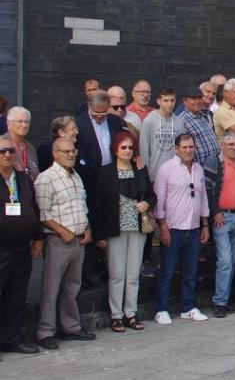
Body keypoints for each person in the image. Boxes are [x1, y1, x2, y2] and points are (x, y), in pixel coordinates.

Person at [35, 137, 95, 348]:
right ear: (55, 154)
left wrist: (86, 228)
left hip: (79, 240)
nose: (71, 154)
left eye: (73, 151)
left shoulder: (76, 176)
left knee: (72, 287)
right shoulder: (46, 178)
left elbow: (82, 206)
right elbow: (42, 214)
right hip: (58, 241)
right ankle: (45, 331)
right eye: (66, 151)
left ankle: (70, 327)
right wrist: (62, 231)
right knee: (51, 288)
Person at [92, 131, 155, 332]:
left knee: (133, 273)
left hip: (137, 228)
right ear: (116, 150)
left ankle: (131, 312)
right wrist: (100, 235)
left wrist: (146, 203)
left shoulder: (140, 170)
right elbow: (98, 205)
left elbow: (152, 195)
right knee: (117, 273)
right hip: (115, 229)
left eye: (130, 147)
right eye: (123, 147)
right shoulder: (105, 172)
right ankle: (116, 315)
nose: (127, 151)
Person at [152, 134, 210, 324]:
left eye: (191, 147)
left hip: (193, 227)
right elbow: (159, 200)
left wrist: (205, 224)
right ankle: (161, 309)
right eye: (184, 147)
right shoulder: (166, 169)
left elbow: (203, 199)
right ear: (176, 149)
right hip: (173, 227)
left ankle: (188, 307)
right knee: (167, 271)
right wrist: (163, 227)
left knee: (190, 271)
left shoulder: (199, 169)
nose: (188, 150)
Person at [0, 134, 43, 356]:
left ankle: (12, 339)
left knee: (16, 296)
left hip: (22, 247)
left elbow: (33, 208)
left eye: (10, 151)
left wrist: (38, 237)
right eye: (2, 151)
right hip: (2, 248)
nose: (7, 154)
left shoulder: (23, 179)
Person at [203, 131, 235, 318]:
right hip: (222, 217)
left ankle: (226, 299)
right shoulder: (214, 161)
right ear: (223, 145)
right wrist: (215, 212)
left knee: (233, 261)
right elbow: (207, 189)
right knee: (225, 261)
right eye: (231, 145)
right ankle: (220, 302)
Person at [140, 87, 185, 183]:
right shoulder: (149, 120)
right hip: (154, 173)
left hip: (174, 174)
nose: (170, 104)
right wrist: (145, 175)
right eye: (166, 100)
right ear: (158, 101)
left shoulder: (179, 122)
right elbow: (144, 149)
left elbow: (182, 149)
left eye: (172, 100)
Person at [180, 86, 218, 167]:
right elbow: (183, 151)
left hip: (215, 167)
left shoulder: (204, 116)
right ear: (185, 101)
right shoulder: (182, 121)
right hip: (199, 169)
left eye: (200, 98)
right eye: (193, 98)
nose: (197, 101)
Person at [2, 106, 40, 181]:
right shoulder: (1, 144)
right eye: (20, 121)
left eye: (26, 122)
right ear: (9, 123)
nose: (24, 125)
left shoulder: (31, 148)